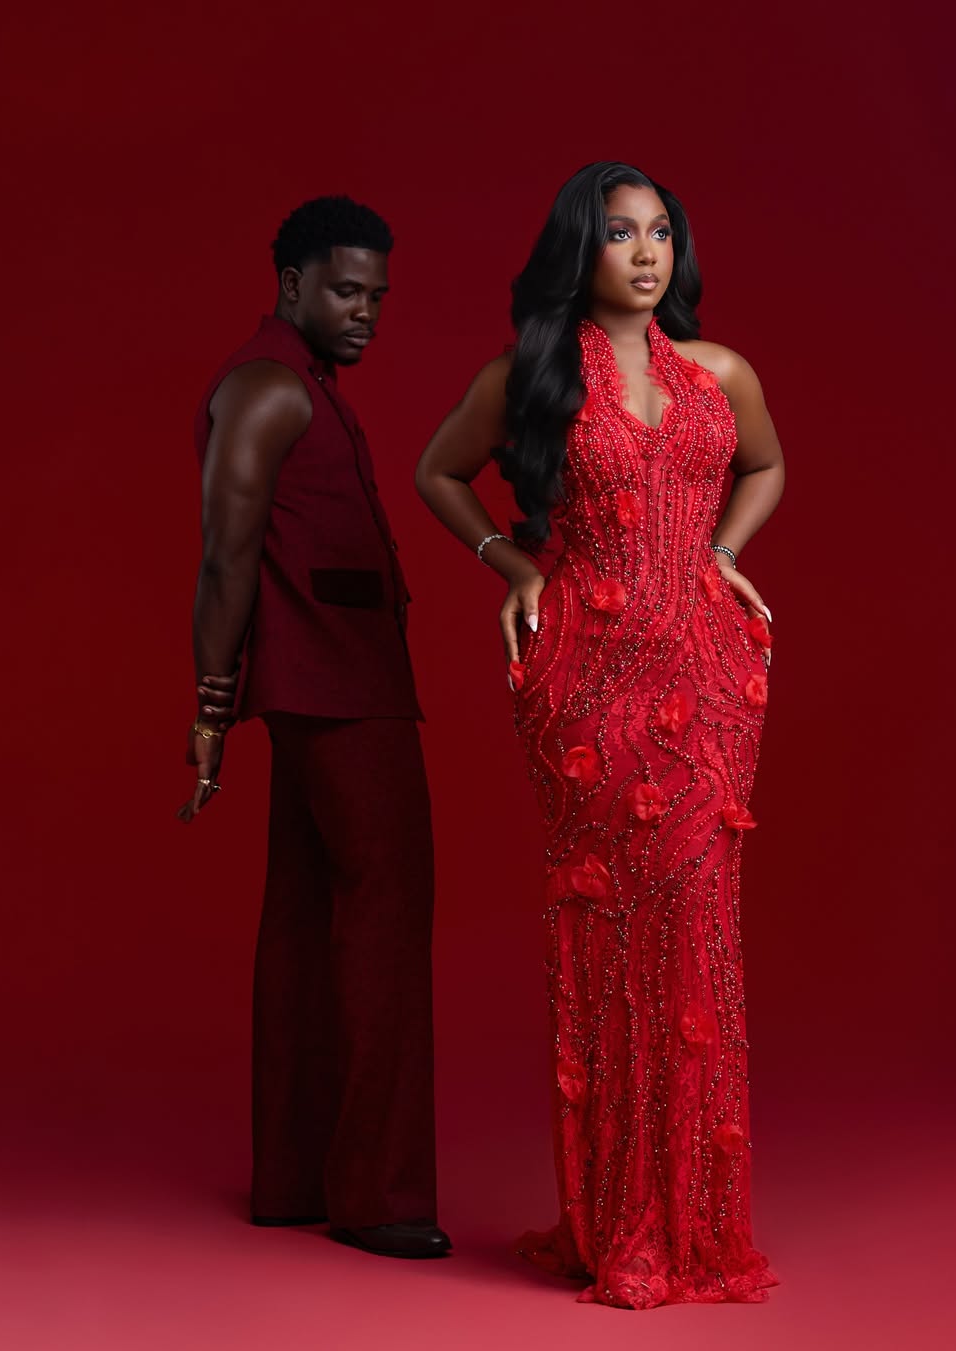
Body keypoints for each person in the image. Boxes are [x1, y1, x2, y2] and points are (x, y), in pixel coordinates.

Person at [415, 162, 783, 1307]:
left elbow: (765, 466)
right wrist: (509, 559)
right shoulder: (529, 375)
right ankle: (618, 1221)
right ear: (579, 247)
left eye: (661, 232)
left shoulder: (722, 372)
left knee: (696, 927)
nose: (645, 253)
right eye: (620, 233)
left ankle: (696, 1226)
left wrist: (723, 555)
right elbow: (438, 472)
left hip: (710, 676)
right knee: (615, 939)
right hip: (586, 677)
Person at [179, 195, 450, 1259]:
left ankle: (296, 1178)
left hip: (326, 684)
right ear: (290, 282)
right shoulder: (264, 389)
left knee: (302, 927)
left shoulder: (301, 388)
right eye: (346, 290)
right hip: (339, 693)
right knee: (384, 924)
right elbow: (223, 557)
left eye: (378, 296)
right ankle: (381, 1196)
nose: (366, 313)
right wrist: (208, 712)